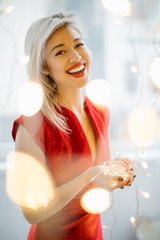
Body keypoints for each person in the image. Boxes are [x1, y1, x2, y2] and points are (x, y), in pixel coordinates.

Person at [12, 12, 134, 240]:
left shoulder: (99, 110)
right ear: (45, 67)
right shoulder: (32, 125)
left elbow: (91, 190)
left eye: (79, 45)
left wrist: (113, 176)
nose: (76, 56)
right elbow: (32, 212)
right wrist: (90, 175)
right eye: (60, 52)